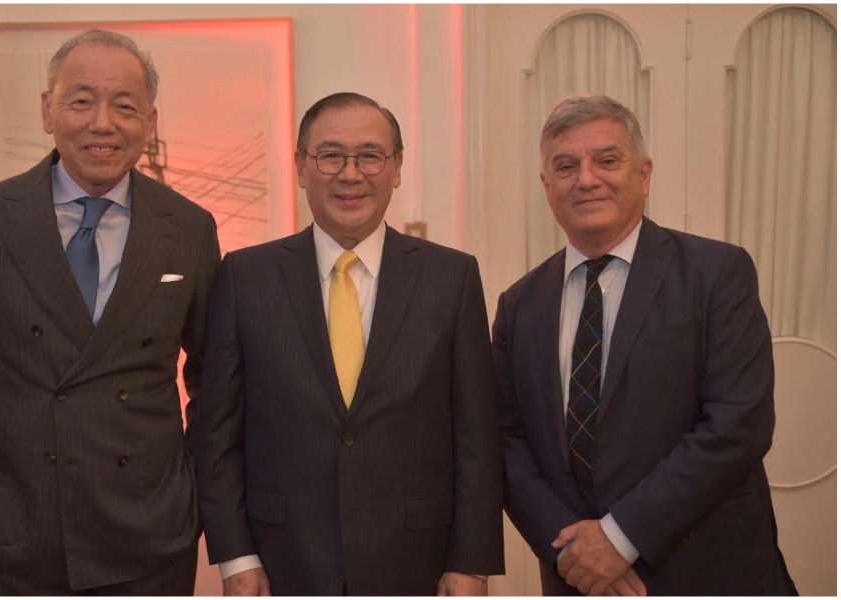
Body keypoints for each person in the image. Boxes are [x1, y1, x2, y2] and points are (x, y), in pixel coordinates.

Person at [0, 29, 220, 594]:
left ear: (149, 122)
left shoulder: (189, 227)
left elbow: (216, 376)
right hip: (22, 527)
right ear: (48, 110)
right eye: (81, 100)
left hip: (151, 530)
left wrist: (192, 487)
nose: (102, 123)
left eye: (124, 106)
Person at [194, 92, 504, 595]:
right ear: (301, 166)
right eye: (331, 155)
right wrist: (235, 557)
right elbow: (217, 435)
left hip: (417, 563)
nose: (350, 174)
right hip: (279, 562)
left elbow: (476, 437)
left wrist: (471, 562)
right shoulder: (245, 277)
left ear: (396, 167)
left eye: (370, 156)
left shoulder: (452, 277)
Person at [492, 94, 797, 596]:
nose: (586, 179)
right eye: (565, 166)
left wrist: (619, 538)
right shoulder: (518, 304)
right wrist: (573, 551)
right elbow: (507, 440)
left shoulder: (717, 274)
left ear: (644, 173)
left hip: (708, 573)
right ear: (546, 187)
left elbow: (737, 424)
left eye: (607, 160)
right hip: (578, 579)